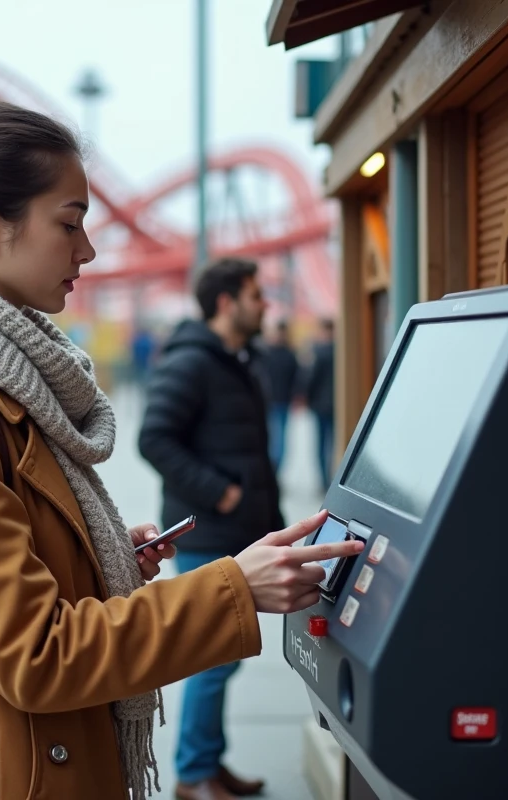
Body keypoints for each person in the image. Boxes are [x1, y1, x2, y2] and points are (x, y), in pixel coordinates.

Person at [0, 101, 362, 800]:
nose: (88, 250)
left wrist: (96, 558)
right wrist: (234, 590)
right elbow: (34, 654)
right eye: (69, 223)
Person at [137, 258, 283, 800]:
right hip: (210, 535)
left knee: (224, 660)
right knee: (213, 662)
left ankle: (209, 763)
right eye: (254, 294)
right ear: (226, 302)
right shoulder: (193, 363)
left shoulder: (233, 359)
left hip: (238, 531)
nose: (264, 303)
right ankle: (194, 775)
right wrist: (221, 492)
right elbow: (154, 439)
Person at [260, 319, 302, 473]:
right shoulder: (267, 353)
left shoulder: (287, 354)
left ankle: (275, 468)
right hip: (270, 401)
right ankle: (272, 467)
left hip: (282, 401)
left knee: (279, 439)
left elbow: (297, 378)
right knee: (273, 437)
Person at [302, 318, 336, 490]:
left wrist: (306, 397)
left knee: (321, 444)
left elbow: (311, 378)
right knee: (334, 442)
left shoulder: (318, 352)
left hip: (320, 405)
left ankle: (324, 480)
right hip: (336, 405)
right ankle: (333, 478)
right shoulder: (341, 351)